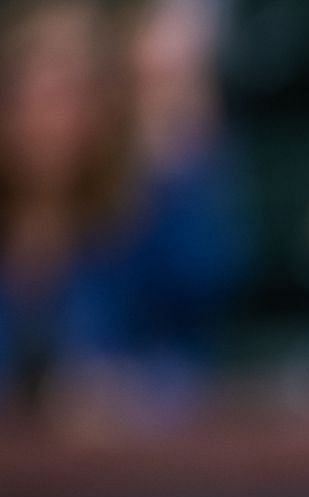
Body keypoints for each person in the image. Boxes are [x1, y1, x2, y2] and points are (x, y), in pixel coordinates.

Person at [0, 0, 242, 438]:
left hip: (111, 487)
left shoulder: (147, 221)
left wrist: (127, 396)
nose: (46, 119)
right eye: (25, 94)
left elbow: (196, 372)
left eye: (69, 94)